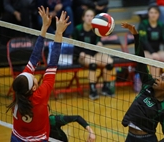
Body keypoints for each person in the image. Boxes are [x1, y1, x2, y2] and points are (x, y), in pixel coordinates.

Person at [6, 6, 71, 141]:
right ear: (34, 88)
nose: (31, 74)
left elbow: (35, 58)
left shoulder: (20, 90)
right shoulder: (40, 96)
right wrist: (58, 33)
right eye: (33, 78)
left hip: (17, 137)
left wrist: (44, 27)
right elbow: (52, 63)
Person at [121, 22, 164, 142]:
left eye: (163, 79)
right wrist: (136, 36)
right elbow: (140, 61)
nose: (158, 78)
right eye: (161, 76)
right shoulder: (147, 84)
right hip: (130, 138)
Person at [72, 9, 115, 100]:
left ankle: (106, 88)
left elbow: (98, 42)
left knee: (109, 62)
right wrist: (80, 53)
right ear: (83, 18)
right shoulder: (78, 29)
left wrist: (99, 44)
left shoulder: (96, 29)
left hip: (94, 53)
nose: (89, 18)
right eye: (87, 16)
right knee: (92, 63)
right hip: (81, 55)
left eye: (92, 16)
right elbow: (72, 45)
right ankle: (93, 90)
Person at [138, 5, 164, 78]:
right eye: (151, 12)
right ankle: (155, 84)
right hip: (144, 51)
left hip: (157, 51)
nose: (153, 15)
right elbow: (144, 41)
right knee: (155, 61)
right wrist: (152, 52)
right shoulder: (143, 24)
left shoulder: (161, 25)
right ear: (148, 14)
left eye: (155, 13)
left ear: (159, 14)